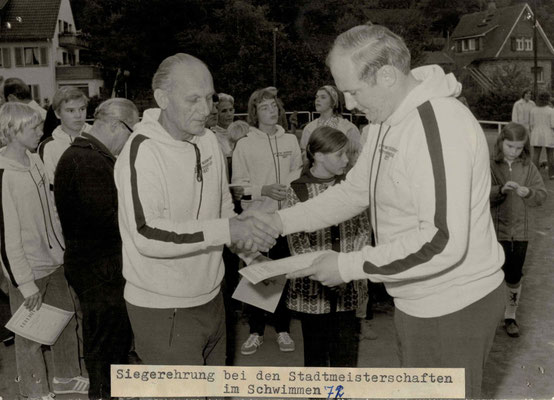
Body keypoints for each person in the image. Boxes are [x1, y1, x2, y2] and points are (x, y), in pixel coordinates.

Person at [255, 24, 505, 398]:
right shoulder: (386, 121)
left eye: (354, 91)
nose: (350, 104)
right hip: (418, 298)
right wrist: (279, 221)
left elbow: (442, 241)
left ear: (387, 75)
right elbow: (355, 191)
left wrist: (346, 266)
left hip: (454, 304)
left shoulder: (437, 125)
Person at [114, 53, 279, 366]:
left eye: (209, 98)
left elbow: (222, 209)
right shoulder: (141, 151)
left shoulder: (207, 141)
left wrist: (249, 250)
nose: (206, 110)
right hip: (163, 308)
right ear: (162, 99)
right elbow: (146, 234)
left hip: (213, 298)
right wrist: (228, 229)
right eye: (192, 99)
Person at [0, 103, 88, 400]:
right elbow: (6, 238)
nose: (41, 131)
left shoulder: (34, 159)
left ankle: (66, 376)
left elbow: (51, 209)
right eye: (34, 128)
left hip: (54, 261)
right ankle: (33, 390)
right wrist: (24, 283)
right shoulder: (3, 174)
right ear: (12, 131)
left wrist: (63, 248)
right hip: (28, 270)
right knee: (30, 337)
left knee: (65, 319)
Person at [54, 98, 139, 399]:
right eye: (131, 131)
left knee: (106, 338)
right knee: (105, 340)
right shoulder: (88, 160)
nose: (130, 140)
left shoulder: (86, 155)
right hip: (99, 267)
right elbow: (104, 219)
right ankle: (105, 394)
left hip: (94, 265)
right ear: (116, 125)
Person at [285, 126, 370, 367]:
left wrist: (347, 269)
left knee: (345, 356)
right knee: (315, 357)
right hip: (312, 291)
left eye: (347, 154)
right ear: (319, 156)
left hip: (349, 286)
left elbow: (363, 230)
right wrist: (323, 272)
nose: (347, 160)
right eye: (340, 155)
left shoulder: (351, 186)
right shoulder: (297, 190)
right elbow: (297, 243)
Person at [231, 87, 303, 356]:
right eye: (264, 107)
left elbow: (297, 174)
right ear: (254, 113)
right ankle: (255, 332)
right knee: (256, 275)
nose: (272, 111)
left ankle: (283, 329)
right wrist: (264, 190)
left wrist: (289, 189)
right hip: (255, 219)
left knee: (281, 273)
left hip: (284, 219)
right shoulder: (245, 144)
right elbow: (238, 188)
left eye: (274, 107)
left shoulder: (291, 141)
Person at [490, 122, 546, 338]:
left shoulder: (529, 167)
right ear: (501, 142)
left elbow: (541, 195)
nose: (514, 151)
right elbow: (479, 195)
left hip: (520, 234)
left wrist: (529, 192)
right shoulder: (490, 165)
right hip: (494, 233)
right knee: (492, 276)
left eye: (519, 147)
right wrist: (499, 190)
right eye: (510, 146)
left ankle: (510, 316)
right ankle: (490, 316)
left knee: (514, 276)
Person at [37, 86, 91, 185]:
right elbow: (49, 187)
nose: (78, 115)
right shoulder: (48, 146)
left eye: (82, 109)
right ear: (58, 114)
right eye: (71, 110)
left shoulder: (99, 137)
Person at [300, 85, 362, 169]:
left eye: (323, 97)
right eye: (316, 97)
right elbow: (304, 157)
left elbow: (356, 156)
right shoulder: (309, 128)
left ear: (333, 102)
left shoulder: (348, 128)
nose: (318, 100)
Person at [529, 91, 554, 178]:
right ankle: (551, 174)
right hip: (548, 134)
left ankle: (535, 175)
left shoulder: (533, 110)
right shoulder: (551, 110)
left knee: (536, 155)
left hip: (536, 134)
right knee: (550, 155)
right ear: (548, 99)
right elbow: (553, 124)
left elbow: (531, 124)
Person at [212, 93, 236, 159]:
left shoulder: (241, 131)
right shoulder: (213, 136)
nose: (229, 114)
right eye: (224, 111)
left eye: (231, 110)